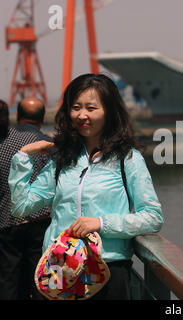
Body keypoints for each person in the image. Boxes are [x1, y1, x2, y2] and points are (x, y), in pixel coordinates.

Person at [8, 73, 164, 300]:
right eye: (76, 107)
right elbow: (21, 208)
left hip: (107, 270)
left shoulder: (127, 159)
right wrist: (22, 158)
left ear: (109, 112)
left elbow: (153, 216)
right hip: (60, 270)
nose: (82, 115)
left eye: (91, 108)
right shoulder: (62, 160)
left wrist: (101, 223)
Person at [0, 98, 52, 300]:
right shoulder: (49, 144)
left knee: (8, 279)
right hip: (42, 222)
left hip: (7, 221)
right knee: (41, 278)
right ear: (42, 118)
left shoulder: (3, 141)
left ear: (18, 116)